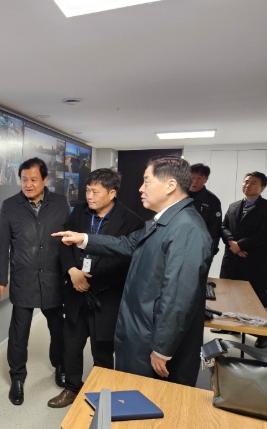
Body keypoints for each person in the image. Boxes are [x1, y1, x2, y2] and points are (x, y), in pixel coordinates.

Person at [52, 157, 212, 386]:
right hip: (140, 330)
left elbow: (178, 297)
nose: (140, 189)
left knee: (146, 398)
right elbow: (127, 244)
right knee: (130, 392)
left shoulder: (186, 228)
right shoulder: (164, 221)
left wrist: (162, 348)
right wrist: (83, 239)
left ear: (170, 185)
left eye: (146, 181)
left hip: (151, 338)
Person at [47, 169, 143, 408]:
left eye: (95, 192)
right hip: (75, 291)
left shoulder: (132, 221)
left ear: (112, 193)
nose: (89, 196)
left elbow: (128, 261)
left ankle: (103, 393)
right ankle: (72, 388)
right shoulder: (79, 211)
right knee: (71, 345)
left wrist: (92, 281)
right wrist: (72, 271)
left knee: (102, 349)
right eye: (87, 190)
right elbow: (65, 244)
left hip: (106, 295)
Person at [0, 157, 70, 406]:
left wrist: (72, 270)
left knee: (57, 328)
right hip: (23, 277)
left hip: (53, 277)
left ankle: (60, 365)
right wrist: (0, 277)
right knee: (19, 331)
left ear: (45, 179)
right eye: (24, 179)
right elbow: (2, 243)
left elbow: (69, 240)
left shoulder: (59, 203)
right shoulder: (10, 205)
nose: (28, 184)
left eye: (34, 179)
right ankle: (17, 377)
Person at [220, 171, 267, 348]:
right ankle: (231, 327)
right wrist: (232, 243)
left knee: (256, 299)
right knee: (230, 295)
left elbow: (264, 234)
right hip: (232, 259)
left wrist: (240, 245)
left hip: (254, 261)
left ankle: (262, 334)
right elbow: (223, 227)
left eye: (253, 183)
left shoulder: (265, 207)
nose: (248, 185)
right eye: (246, 182)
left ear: (262, 187)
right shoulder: (234, 206)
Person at [189, 163, 222, 255]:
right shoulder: (177, 195)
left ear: (206, 180)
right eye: (192, 177)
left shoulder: (212, 200)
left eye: (199, 178)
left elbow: (215, 228)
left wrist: (211, 251)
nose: (195, 181)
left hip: (199, 248)